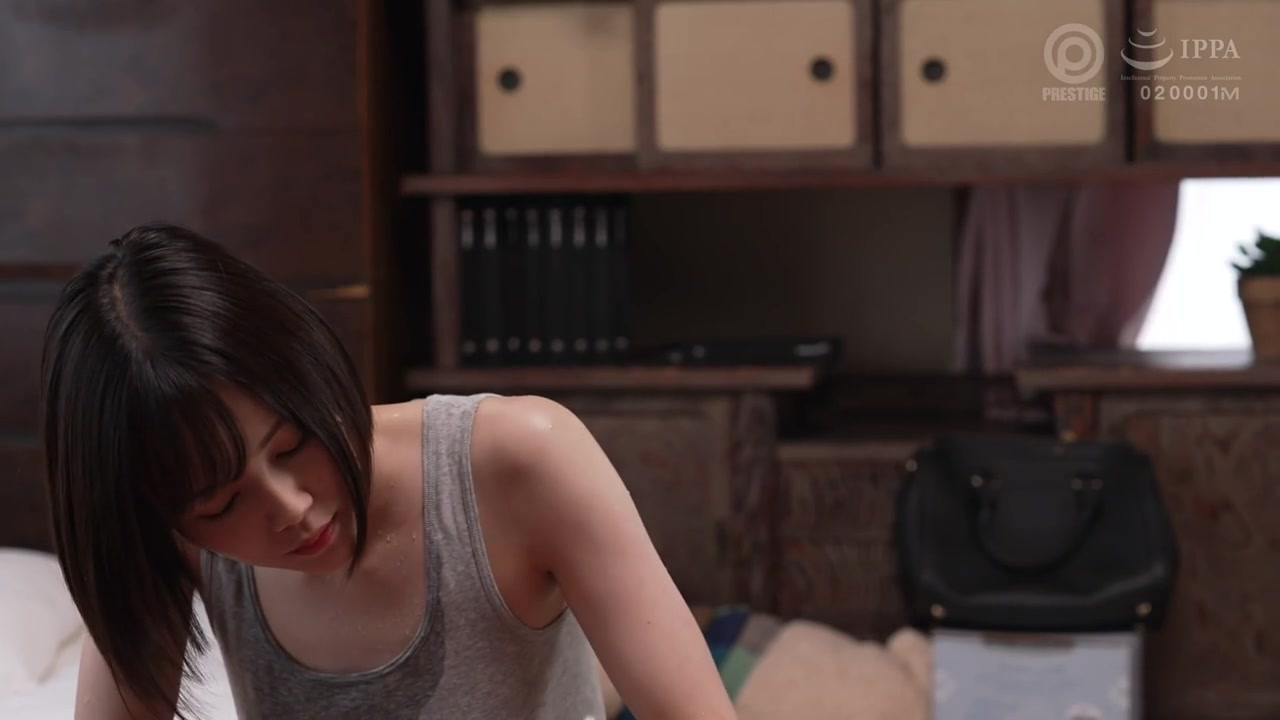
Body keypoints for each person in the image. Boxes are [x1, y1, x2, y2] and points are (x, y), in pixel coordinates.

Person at [40, 223, 737, 720]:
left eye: (292, 446)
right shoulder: (163, 535)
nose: (291, 506)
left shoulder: (518, 458)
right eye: (222, 505)